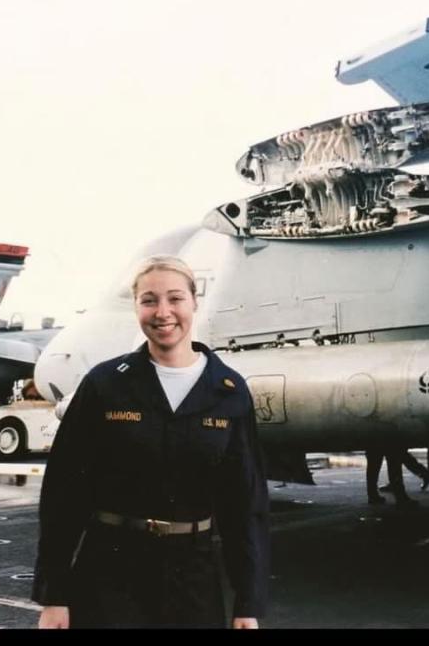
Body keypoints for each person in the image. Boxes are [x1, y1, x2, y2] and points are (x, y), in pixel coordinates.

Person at [32, 255, 270, 629]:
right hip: (111, 571)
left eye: (175, 299)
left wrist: (248, 603)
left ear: (194, 302)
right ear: (137, 307)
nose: (163, 312)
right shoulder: (105, 384)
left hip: (193, 574)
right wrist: (54, 595)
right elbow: (64, 493)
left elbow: (245, 504)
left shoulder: (229, 391)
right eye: (149, 300)